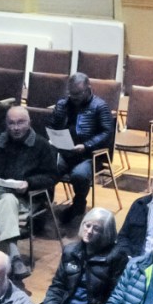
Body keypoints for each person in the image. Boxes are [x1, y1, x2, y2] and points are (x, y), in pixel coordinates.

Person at [0, 106, 59, 278]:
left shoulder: (41, 145)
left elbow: (51, 177)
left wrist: (29, 183)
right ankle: (14, 259)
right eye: (11, 123)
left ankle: (2, 265)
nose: (16, 128)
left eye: (20, 123)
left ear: (29, 123)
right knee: (6, 200)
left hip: (29, 197)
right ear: (6, 124)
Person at [40, 208, 128, 304]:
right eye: (87, 225)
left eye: (96, 229)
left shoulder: (116, 257)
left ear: (106, 233)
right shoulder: (71, 251)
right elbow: (57, 287)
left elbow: (114, 298)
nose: (89, 231)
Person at [52, 73, 115, 224]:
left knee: (79, 175)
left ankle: (78, 205)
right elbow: (53, 124)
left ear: (88, 89)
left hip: (89, 155)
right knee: (48, 169)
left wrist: (87, 145)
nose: (74, 98)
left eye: (77, 94)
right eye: (71, 94)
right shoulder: (63, 104)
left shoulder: (100, 106)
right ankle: (42, 204)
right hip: (65, 152)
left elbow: (107, 133)